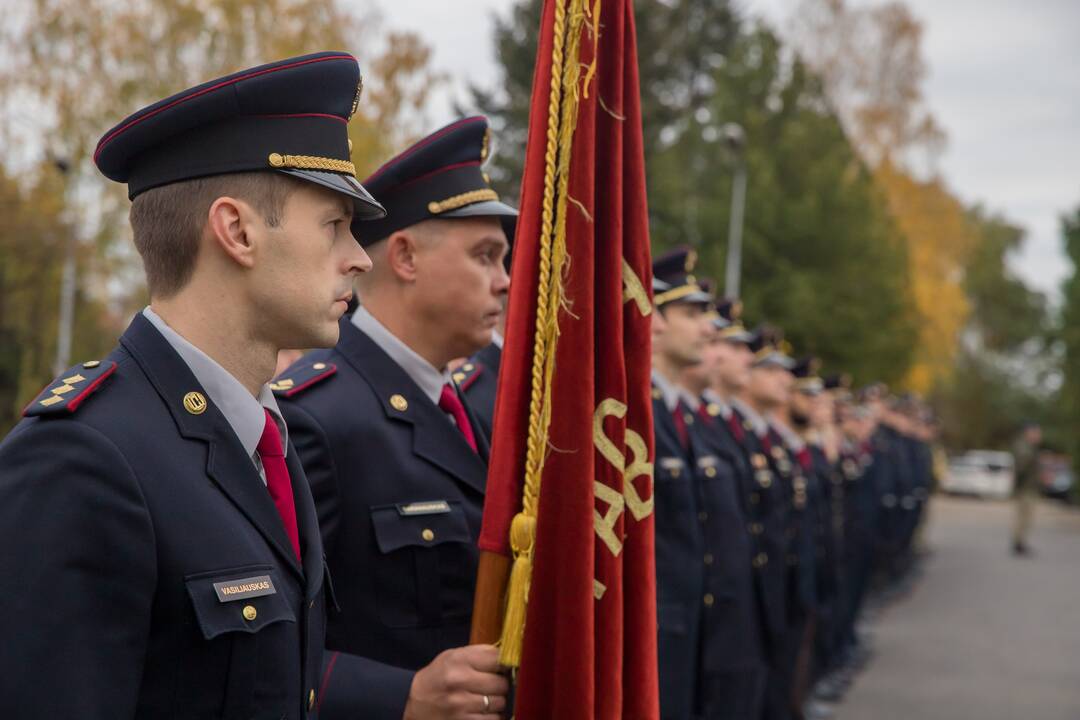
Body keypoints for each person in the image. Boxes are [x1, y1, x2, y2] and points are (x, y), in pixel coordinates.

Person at [0, 52, 384, 718]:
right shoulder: (85, 459)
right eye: (334, 226)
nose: (359, 257)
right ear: (236, 231)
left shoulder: (265, 442)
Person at [274, 116, 516, 719]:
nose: (505, 282)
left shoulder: (467, 412)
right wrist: (400, 697)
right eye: (485, 257)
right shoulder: (317, 419)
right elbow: (271, 647)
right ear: (405, 256)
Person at [1011, 422, 1043, 556]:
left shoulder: (1030, 447)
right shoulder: (1024, 447)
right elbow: (1020, 469)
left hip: (1029, 488)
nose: (1039, 436)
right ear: (1029, 433)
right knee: (1024, 517)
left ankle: (1020, 542)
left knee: (1026, 517)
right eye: (1037, 433)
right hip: (1025, 489)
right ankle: (1019, 544)